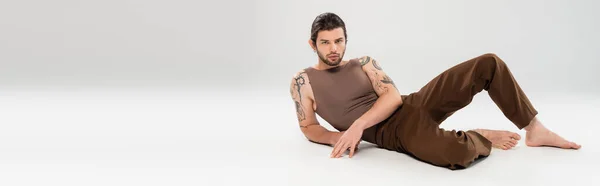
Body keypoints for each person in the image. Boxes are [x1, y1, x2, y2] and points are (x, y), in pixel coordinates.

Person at [289, 12, 581, 170]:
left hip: (410, 105)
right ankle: (481, 135)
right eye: (325, 42)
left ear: (345, 40)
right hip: (394, 134)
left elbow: (392, 97)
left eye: (338, 41)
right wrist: (335, 137)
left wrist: (356, 126)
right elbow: (308, 125)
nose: (334, 48)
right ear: (312, 44)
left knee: (488, 64)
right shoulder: (304, 82)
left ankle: (534, 128)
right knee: (455, 154)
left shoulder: (364, 63)